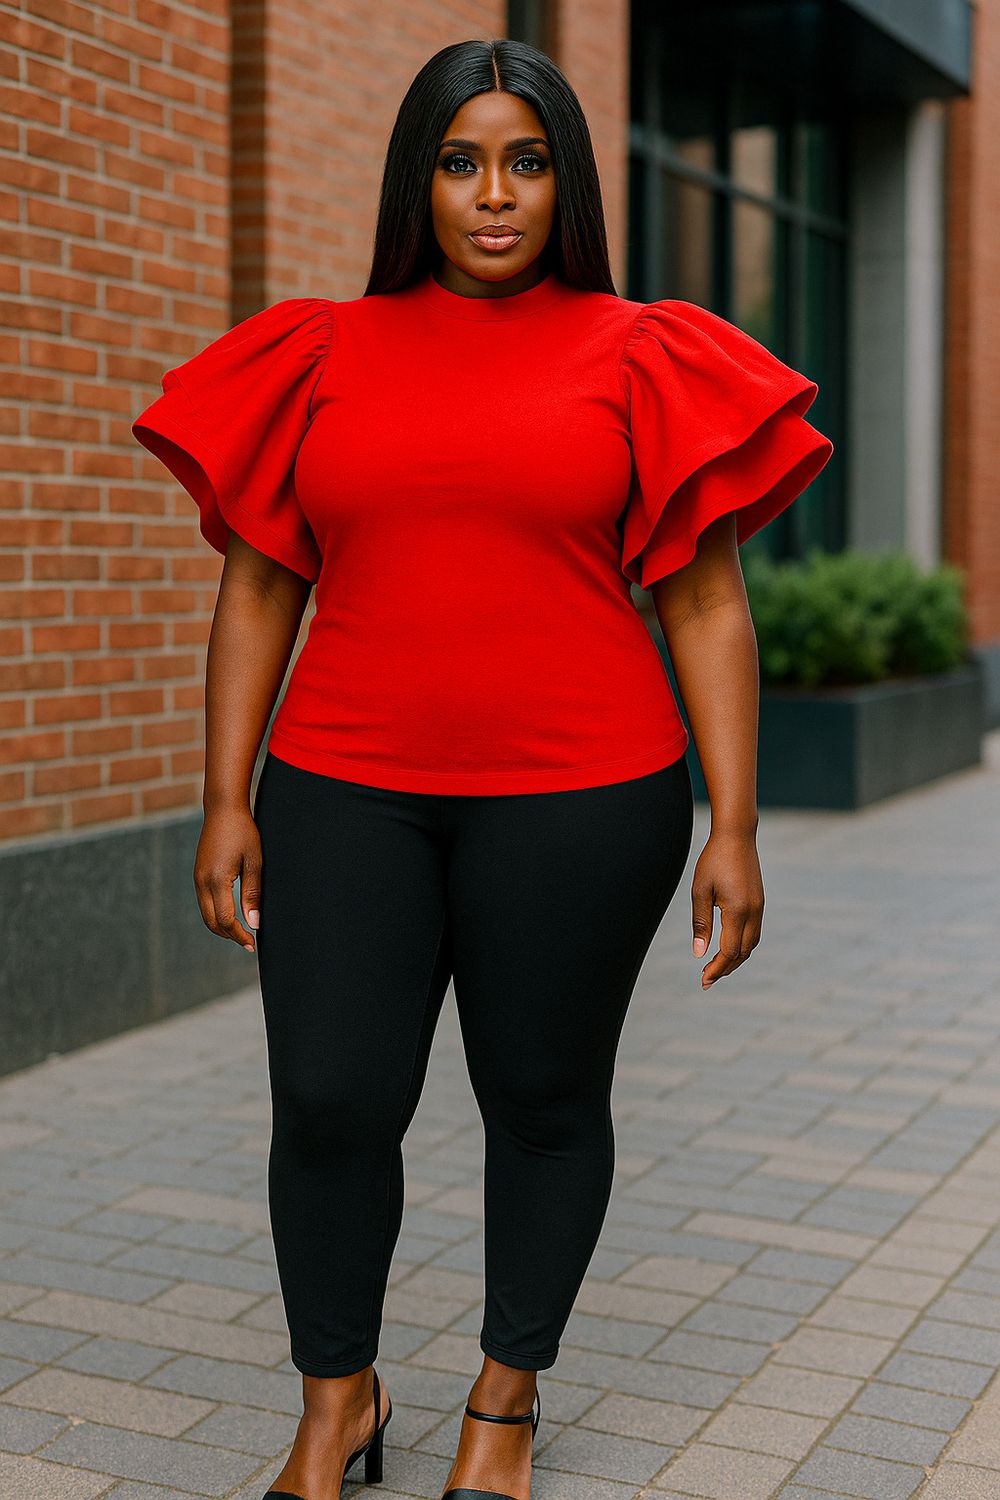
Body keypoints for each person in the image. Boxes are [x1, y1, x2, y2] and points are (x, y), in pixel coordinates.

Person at [130, 35, 833, 1500]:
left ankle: (504, 1404)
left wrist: (737, 824)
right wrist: (224, 797)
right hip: (343, 791)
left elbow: (706, 603)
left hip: (586, 798)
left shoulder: (641, 351)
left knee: (544, 1099)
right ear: (420, 180)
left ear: (567, 181)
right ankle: (338, 1400)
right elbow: (259, 585)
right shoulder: (320, 351)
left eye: (526, 161)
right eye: (462, 161)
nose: (495, 194)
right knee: (329, 1100)